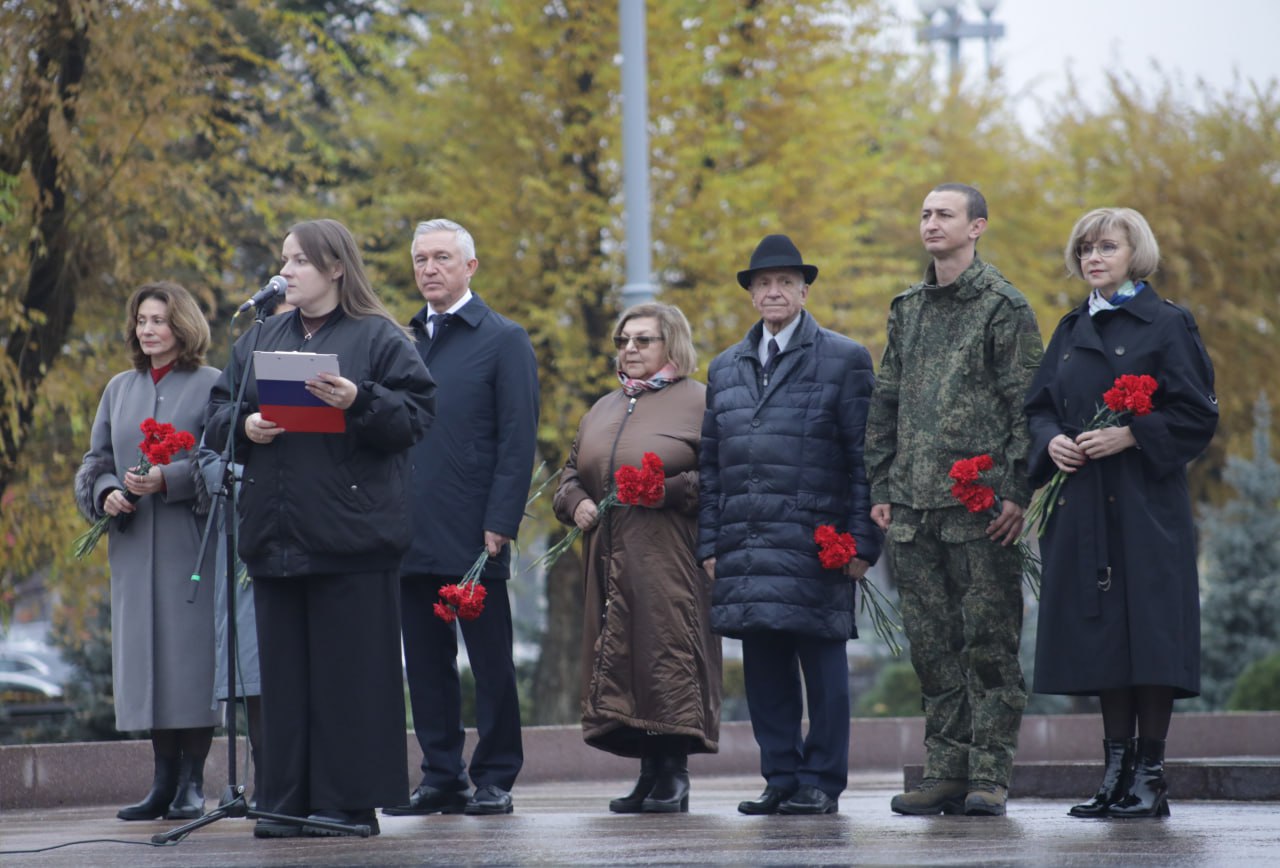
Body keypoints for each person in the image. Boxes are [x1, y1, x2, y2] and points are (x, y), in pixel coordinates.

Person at [205, 218, 436, 838]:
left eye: (299, 261)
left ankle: (347, 802)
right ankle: (284, 799)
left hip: (351, 536)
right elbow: (218, 410)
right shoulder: (262, 334)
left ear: (336, 268)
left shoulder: (378, 337)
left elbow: (416, 416)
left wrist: (357, 399)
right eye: (284, 260)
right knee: (282, 683)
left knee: (348, 678)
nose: (287, 271)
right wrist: (247, 425)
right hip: (277, 534)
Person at [1025, 207, 1217, 819]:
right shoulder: (1071, 327)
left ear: (1136, 253)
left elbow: (1196, 414)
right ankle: (1114, 773)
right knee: (1105, 636)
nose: (1093, 257)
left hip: (1145, 508)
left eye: (1107, 246)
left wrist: (1132, 435)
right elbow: (1039, 407)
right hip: (1083, 510)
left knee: (1151, 636)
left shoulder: (1168, 323)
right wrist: (1050, 440)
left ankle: (1151, 777)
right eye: (1085, 248)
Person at [865, 183, 1042, 817]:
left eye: (944, 214)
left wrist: (1018, 492)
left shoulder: (1003, 307)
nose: (930, 223)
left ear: (977, 228)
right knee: (932, 646)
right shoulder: (907, 307)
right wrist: (881, 486)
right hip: (913, 509)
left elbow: (1028, 407)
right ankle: (944, 767)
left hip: (980, 510)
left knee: (989, 645)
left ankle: (989, 774)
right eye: (924, 214)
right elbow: (885, 401)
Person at [698, 234, 881, 816]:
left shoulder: (844, 358)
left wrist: (862, 542)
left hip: (815, 543)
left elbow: (865, 458)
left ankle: (821, 781)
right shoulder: (725, 367)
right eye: (762, 283)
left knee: (823, 666)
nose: (773, 291)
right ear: (751, 295)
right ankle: (779, 774)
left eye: (784, 282)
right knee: (763, 670)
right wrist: (711, 542)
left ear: (804, 290)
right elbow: (710, 464)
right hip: (746, 542)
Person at [387, 218, 540, 818]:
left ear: (470, 266)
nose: (429, 268)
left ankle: (497, 774)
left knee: (490, 662)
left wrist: (501, 520)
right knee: (424, 664)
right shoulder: (399, 339)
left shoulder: (504, 339)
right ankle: (441, 775)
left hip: (477, 531)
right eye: (421, 258)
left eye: (442, 257)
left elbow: (517, 439)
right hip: (407, 527)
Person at [552, 303, 721, 814]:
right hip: (608, 559)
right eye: (624, 340)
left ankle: (674, 773)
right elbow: (568, 473)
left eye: (643, 340)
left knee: (666, 654)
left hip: (669, 557)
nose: (630, 349)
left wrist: (666, 490)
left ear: (672, 344)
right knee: (625, 658)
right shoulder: (603, 407)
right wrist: (575, 502)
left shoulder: (700, 403)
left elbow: (722, 477)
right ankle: (648, 772)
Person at [74, 281, 221, 821]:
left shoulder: (213, 385)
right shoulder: (119, 388)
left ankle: (192, 785)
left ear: (182, 324)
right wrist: (106, 491)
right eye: (141, 321)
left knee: (189, 662)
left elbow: (220, 464)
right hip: (134, 547)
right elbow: (96, 459)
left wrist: (171, 479)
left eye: (158, 319)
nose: (148, 329)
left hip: (190, 544)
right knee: (148, 664)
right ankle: (161, 782)